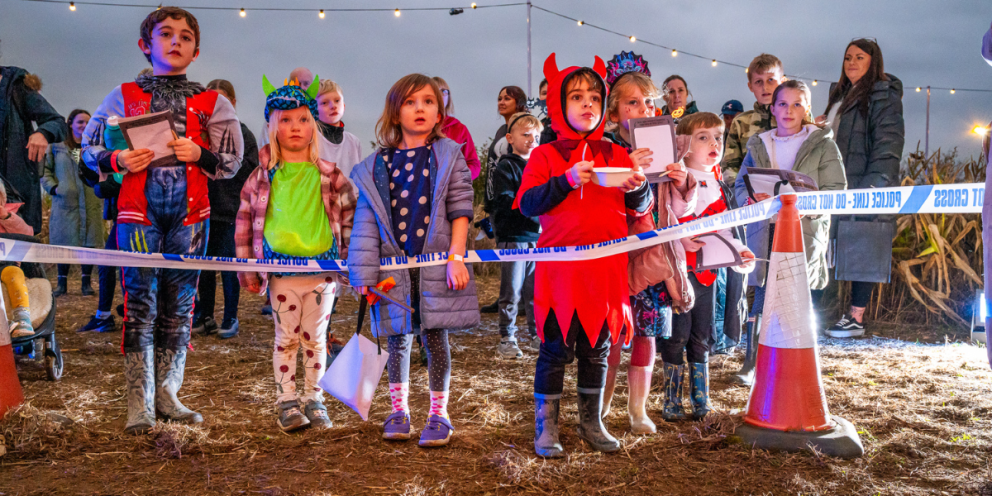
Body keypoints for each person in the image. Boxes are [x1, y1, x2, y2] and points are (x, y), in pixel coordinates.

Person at [81, 7, 244, 435]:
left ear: (196, 50)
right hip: (138, 213)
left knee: (181, 305)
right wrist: (116, 159)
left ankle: (168, 394)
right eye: (166, 34)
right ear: (146, 45)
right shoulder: (122, 94)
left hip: (192, 215)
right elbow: (88, 147)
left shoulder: (213, 102)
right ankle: (140, 400)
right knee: (140, 304)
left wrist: (200, 154)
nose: (176, 42)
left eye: (185, 36)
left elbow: (231, 161)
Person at [517, 54, 651, 456]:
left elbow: (639, 211)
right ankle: (547, 428)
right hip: (560, 273)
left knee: (598, 348)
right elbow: (528, 204)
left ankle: (592, 422)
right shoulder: (545, 155)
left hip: (606, 271)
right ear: (560, 104)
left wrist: (637, 186)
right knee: (555, 350)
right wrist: (567, 179)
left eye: (595, 96)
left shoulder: (615, 153)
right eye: (577, 96)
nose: (588, 103)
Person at [348, 74, 478, 448]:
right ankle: (399, 411)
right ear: (394, 113)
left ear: (440, 112)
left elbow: (460, 210)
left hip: (436, 268)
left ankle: (439, 414)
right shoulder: (376, 165)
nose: (419, 108)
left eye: (427, 101)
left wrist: (456, 256)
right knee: (396, 340)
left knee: (435, 339)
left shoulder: (450, 156)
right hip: (393, 272)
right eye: (410, 102)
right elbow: (366, 221)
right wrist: (363, 270)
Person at [236, 76, 355, 432]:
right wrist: (249, 268)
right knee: (285, 338)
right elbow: (244, 222)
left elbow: (350, 215)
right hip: (282, 274)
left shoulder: (332, 176)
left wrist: (350, 260)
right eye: (285, 120)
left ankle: (314, 398)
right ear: (271, 126)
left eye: (303, 119)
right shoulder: (260, 179)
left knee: (316, 339)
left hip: (322, 274)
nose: (295, 127)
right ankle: (286, 401)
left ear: (314, 125)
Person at [602, 67, 696, 434]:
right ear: (614, 113)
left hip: (654, 260)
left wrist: (682, 182)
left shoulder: (669, 149)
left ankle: (637, 410)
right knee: (609, 333)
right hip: (616, 256)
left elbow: (683, 211)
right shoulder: (606, 152)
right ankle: (602, 405)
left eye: (648, 102)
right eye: (632, 102)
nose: (642, 109)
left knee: (647, 332)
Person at [734, 81, 848, 384]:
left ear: (807, 108)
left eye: (797, 104)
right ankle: (752, 362)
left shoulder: (822, 144)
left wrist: (805, 207)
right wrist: (749, 199)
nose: (789, 110)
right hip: (764, 231)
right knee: (760, 294)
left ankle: (796, 364)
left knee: (796, 296)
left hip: (802, 230)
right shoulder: (759, 143)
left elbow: (836, 190)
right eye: (783, 103)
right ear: (772, 108)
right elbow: (740, 184)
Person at [661, 113, 754, 421]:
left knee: (702, 334)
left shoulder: (718, 182)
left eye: (718, 136)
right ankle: (671, 399)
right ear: (683, 144)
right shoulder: (673, 177)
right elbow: (669, 218)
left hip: (707, 273)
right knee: (676, 335)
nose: (714, 142)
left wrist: (740, 251)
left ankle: (700, 397)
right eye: (703, 137)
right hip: (678, 272)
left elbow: (726, 229)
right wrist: (683, 237)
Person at [819, 39, 904, 338]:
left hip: (863, 181)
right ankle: (815, 313)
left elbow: (888, 142)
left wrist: (875, 184)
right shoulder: (839, 95)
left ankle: (856, 317)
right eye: (847, 57)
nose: (851, 62)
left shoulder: (883, 94)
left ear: (874, 61)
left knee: (864, 242)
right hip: (833, 180)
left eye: (859, 57)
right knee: (827, 246)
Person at [191, 79, 258, 339]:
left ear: (232, 103)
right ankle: (204, 315)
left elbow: (249, 170)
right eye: (212, 100)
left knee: (230, 268)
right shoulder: (199, 134)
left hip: (231, 212)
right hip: (203, 211)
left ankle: (231, 317)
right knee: (204, 268)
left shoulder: (244, 134)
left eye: (223, 100)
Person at [490, 112, 543, 359]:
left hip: (538, 237)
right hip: (515, 235)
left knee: (536, 291)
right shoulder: (506, 166)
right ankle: (507, 337)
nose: (532, 140)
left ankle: (536, 335)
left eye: (537, 135)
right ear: (510, 138)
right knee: (512, 290)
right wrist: (532, 210)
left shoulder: (541, 166)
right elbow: (505, 201)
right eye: (526, 135)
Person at [41, 109, 104, 297]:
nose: (84, 126)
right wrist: (54, 188)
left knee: (89, 242)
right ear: (70, 124)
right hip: (65, 203)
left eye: (87, 122)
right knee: (63, 242)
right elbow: (45, 171)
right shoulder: (56, 146)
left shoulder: (95, 147)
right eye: (80, 122)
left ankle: (86, 283)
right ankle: (62, 283)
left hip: (91, 201)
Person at [0, 62, 67, 234]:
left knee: (17, 260)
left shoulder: (16, 86)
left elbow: (58, 122)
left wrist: (43, 133)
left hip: (15, 204)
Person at [480, 85, 528, 314]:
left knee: (517, 250)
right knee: (503, 249)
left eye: (507, 98)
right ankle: (506, 295)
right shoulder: (502, 129)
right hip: (496, 196)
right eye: (499, 98)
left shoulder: (525, 125)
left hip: (514, 198)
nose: (501, 102)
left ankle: (518, 301)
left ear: (518, 101)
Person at [722, 54, 785, 184]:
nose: (765, 87)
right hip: (751, 198)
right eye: (758, 82)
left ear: (782, 82)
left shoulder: (796, 117)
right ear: (750, 86)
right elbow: (730, 168)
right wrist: (742, 195)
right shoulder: (741, 123)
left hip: (791, 196)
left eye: (771, 80)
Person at [0, 181, 37, 338]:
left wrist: (6, 217)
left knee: (14, 274)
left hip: (7, 263)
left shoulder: (11, 216)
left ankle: (22, 317)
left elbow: (27, 234)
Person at [315, 78, 363, 188]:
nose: (333, 106)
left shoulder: (354, 142)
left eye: (337, 101)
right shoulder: (310, 140)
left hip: (351, 203)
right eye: (324, 103)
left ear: (344, 106)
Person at [434, 77, 481, 180]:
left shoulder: (459, 129)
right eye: (435, 91)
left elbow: (473, 163)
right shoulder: (419, 128)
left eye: (444, 91)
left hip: (452, 192)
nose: (440, 95)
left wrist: (459, 178)